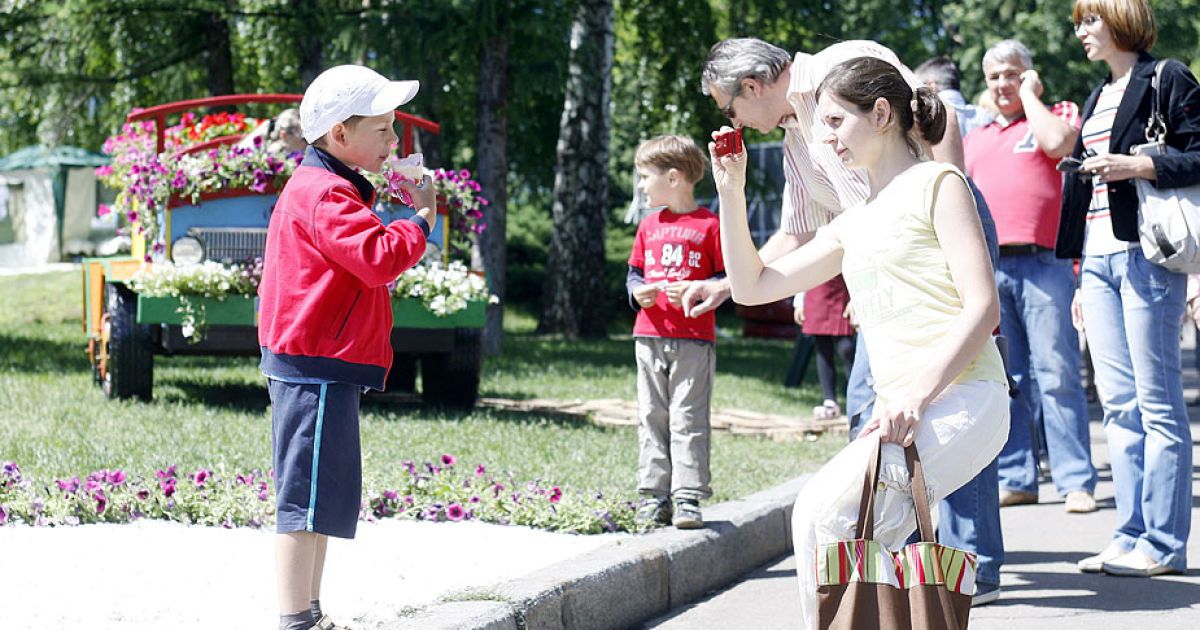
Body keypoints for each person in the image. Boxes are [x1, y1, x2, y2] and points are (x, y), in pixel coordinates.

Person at [714, 55, 1008, 630]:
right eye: (820, 124)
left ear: (880, 113)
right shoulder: (853, 220)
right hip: (902, 415)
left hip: (966, 397)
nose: (823, 138)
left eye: (834, 122)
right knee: (862, 543)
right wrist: (731, 190)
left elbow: (983, 307)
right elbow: (751, 287)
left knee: (821, 513)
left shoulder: (939, 184)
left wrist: (915, 397)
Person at [257, 65, 436, 630]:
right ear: (339, 136)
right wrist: (422, 218)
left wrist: (392, 205)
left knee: (320, 498)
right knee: (303, 499)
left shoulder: (329, 185)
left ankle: (308, 612)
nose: (393, 142)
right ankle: (296, 618)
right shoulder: (326, 192)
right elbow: (379, 258)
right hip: (314, 366)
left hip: (321, 364)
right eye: (383, 130)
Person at [1058, 0, 1199, 577]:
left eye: (1089, 21)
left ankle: (1164, 545)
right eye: (1079, 23)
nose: (1082, 33)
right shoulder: (1096, 95)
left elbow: (1197, 154)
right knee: (1117, 406)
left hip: (1147, 257)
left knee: (1157, 404)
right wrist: (1076, 276)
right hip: (1096, 261)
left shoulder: (1166, 77)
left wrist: (1138, 166)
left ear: (1119, 21)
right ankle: (1130, 533)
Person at [965, 39, 1099, 514]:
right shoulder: (975, 134)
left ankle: (1075, 481)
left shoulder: (1054, 113)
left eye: (1013, 74)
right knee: (1007, 378)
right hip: (992, 268)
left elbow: (1058, 144)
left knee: (1057, 373)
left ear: (1031, 76)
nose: (1003, 84)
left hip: (1046, 264)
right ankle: (1018, 475)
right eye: (995, 76)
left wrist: (1029, 96)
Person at [915, 53, 1008, 605]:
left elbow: (951, 180)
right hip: (922, 241)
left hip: (950, 233)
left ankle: (973, 563)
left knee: (962, 398)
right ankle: (945, 561)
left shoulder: (940, 109)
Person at [626, 134, 727, 530]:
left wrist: (702, 289)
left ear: (673, 178)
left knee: (687, 416)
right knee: (651, 414)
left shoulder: (710, 226)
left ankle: (687, 496)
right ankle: (653, 495)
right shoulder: (649, 226)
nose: (640, 185)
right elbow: (634, 274)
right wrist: (639, 292)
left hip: (694, 339)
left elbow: (725, 277)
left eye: (644, 176)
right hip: (648, 334)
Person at [794, 275, 855, 420]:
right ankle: (830, 402)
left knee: (846, 348)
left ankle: (858, 400)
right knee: (822, 350)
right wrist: (799, 302)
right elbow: (804, 270)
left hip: (843, 293)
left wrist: (855, 299)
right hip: (816, 294)